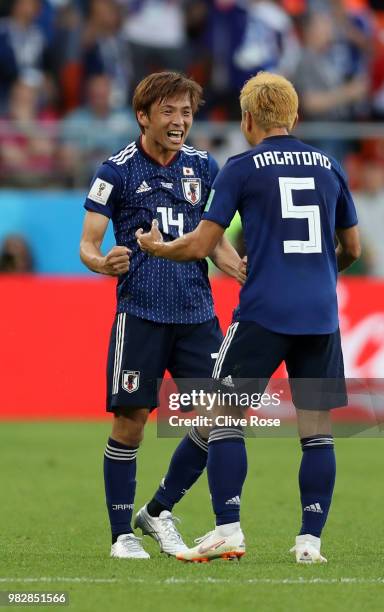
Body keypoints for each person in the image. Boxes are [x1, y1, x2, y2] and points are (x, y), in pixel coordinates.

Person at [137, 71, 361, 563]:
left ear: (248, 119)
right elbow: (353, 248)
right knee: (317, 432)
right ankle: (309, 542)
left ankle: (228, 528)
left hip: (263, 311)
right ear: (295, 115)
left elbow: (200, 244)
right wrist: (318, 274)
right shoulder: (329, 165)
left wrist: (157, 247)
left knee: (222, 418)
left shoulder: (242, 167)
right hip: (320, 314)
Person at [79, 71, 245, 560]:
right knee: (131, 422)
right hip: (142, 313)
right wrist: (103, 262)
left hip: (197, 315)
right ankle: (121, 535)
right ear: (143, 116)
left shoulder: (204, 167)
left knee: (221, 416)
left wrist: (239, 268)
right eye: (169, 112)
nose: (179, 122)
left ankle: (157, 509)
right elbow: (88, 244)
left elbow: (213, 239)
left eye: (187, 112)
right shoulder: (116, 171)